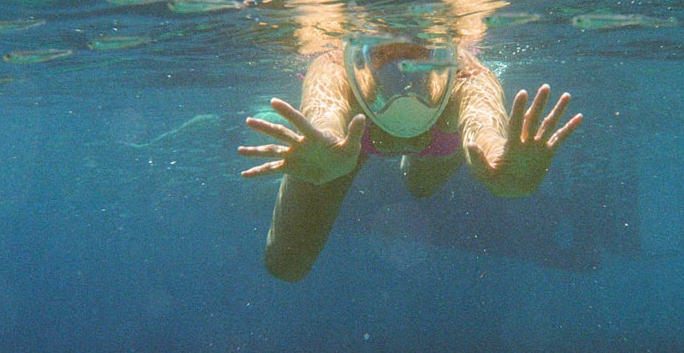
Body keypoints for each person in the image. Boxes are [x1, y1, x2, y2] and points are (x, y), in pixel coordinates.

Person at [238, 34, 582, 282]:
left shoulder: (469, 76)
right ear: (359, 57)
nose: (403, 83)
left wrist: (502, 165)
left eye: (417, 64)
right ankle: (338, 165)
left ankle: (402, 167)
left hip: (428, 144)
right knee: (286, 264)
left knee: (419, 186)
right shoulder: (332, 67)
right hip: (343, 148)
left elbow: (485, 132)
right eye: (386, 63)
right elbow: (325, 115)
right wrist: (324, 149)